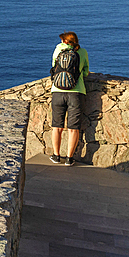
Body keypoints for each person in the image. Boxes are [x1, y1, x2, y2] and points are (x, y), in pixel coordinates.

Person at [49, 31, 89, 166]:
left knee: (57, 126)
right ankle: (69, 158)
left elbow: (53, 67)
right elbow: (85, 72)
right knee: (73, 128)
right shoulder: (82, 52)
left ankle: (56, 155)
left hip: (57, 92)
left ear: (65, 42)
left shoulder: (58, 50)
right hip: (76, 93)